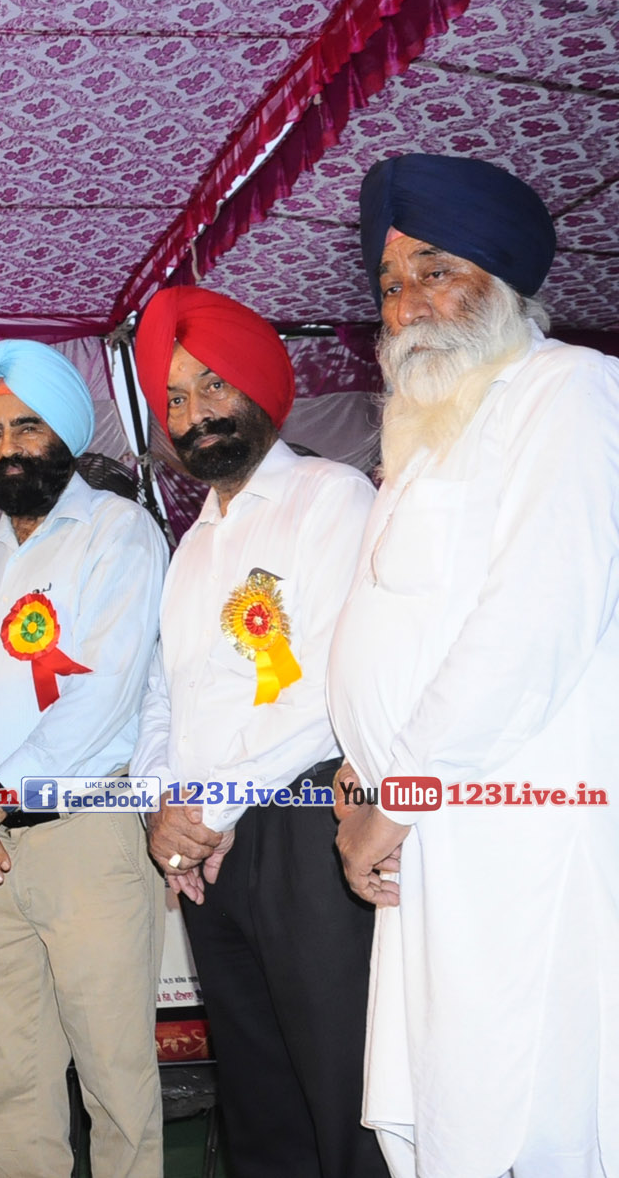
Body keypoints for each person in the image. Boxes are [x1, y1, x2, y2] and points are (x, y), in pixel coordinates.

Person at [329, 152, 619, 1178]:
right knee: (447, 1117)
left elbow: (531, 625)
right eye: (388, 283)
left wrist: (396, 792)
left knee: (528, 1121)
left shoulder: (567, 390)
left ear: (503, 279)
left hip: (515, 832)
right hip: (424, 837)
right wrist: (364, 768)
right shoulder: (427, 432)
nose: (407, 304)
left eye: (435, 269)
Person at [129, 288, 385, 1178]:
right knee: (257, 1097)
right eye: (174, 399)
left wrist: (209, 808)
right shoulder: (191, 544)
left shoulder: (330, 497)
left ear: (260, 385)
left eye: (212, 385)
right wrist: (164, 812)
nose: (194, 414)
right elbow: (163, 698)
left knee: (341, 1088)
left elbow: (331, 685)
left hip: (304, 824)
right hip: (211, 853)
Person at [0, 340, 166, 1177]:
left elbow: (105, 693)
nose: (8, 448)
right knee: (10, 1092)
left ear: (66, 432)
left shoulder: (119, 533)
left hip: (87, 837)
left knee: (115, 1083)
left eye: (27, 427)